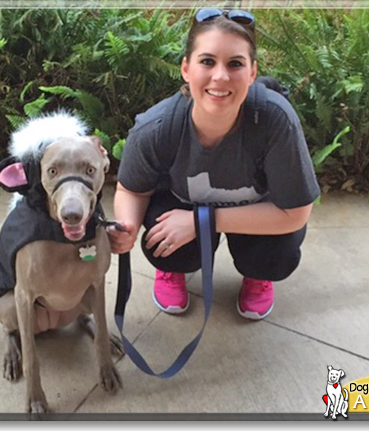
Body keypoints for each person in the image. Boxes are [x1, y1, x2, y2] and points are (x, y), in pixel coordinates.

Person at [107, 9, 321, 320]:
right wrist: (126, 227)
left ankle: (258, 275)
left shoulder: (275, 121)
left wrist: (200, 222)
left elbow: (296, 213)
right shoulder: (156, 127)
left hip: (252, 213)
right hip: (180, 204)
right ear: (186, 69)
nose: (220, 76)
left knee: (277, 254)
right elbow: (131, 189)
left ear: (252, 72)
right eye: (207, 61)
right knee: (160, 235)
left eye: (235, 64)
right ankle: (172, 270)